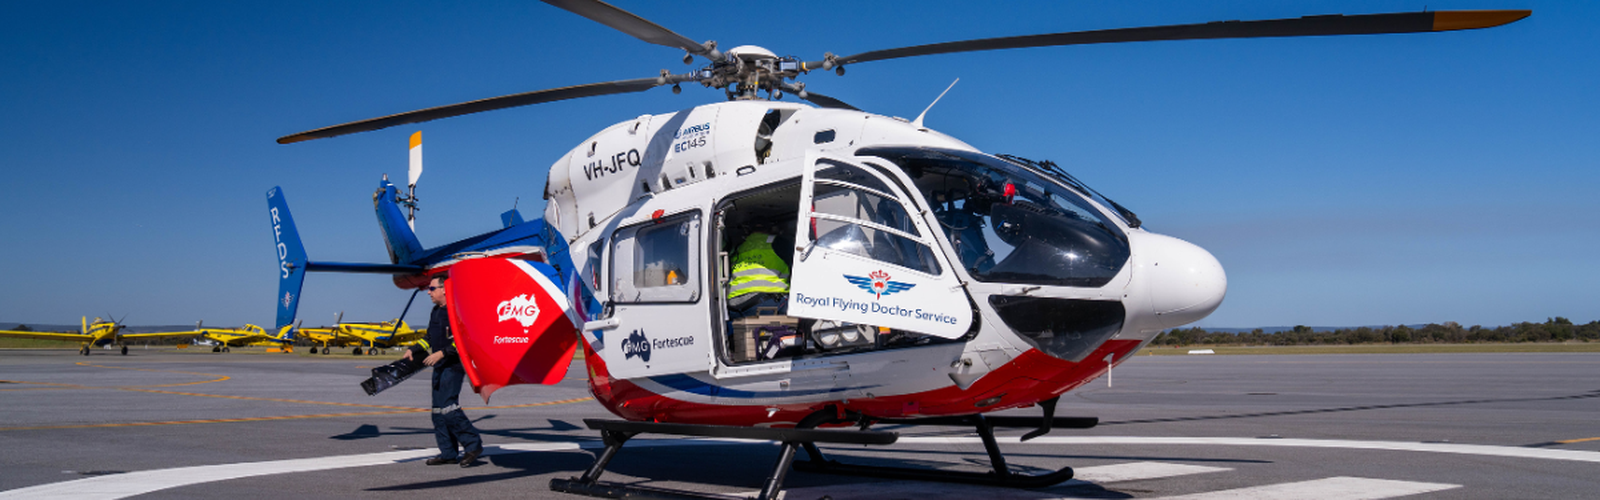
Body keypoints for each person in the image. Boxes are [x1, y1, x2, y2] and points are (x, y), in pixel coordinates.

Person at [403, 274, 483, 467]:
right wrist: (413, 349)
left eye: (432, 289)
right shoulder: (436, 311)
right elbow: (429, 337)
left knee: (449, 408)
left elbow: (465, 339)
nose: (428, 292)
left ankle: (473, 445)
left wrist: (442, 353)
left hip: (453, 366)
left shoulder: (457, 311)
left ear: (444, 289)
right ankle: (448, 452)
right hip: (439, 367)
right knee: (438, 412)